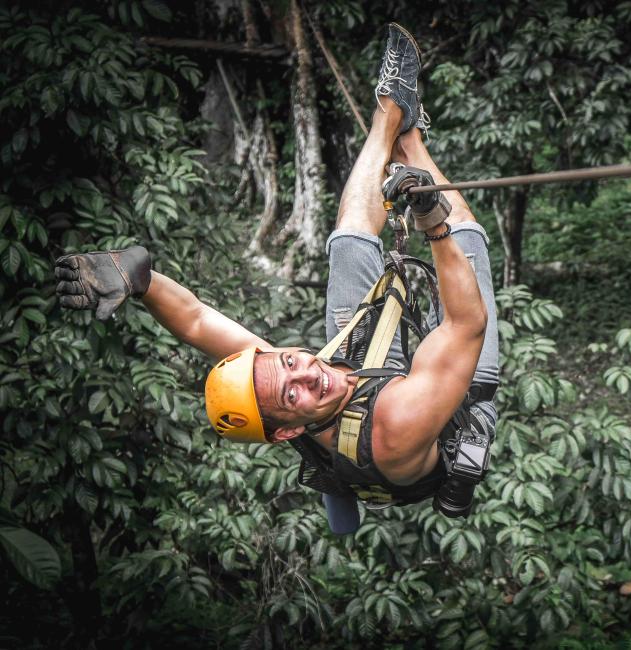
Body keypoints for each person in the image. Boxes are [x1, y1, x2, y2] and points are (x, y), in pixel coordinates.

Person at [54, 24, 499, 534]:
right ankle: (412, 140)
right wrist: (432, 220)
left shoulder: (287, 380)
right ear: (288, 431)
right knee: (465, 246)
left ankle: (389, 114)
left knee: (352, 239)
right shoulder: (398, 426)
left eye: (289, 360)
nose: (307, 372)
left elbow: (198, 322)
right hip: (430, 410)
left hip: (360, 385)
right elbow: (466, 324)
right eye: (294, 394)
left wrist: (140, 280)